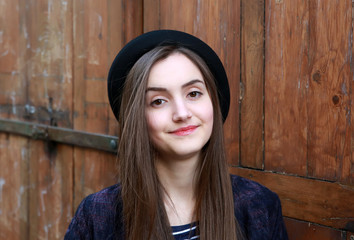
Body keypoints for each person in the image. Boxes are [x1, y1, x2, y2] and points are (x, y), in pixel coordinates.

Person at [64, 30, 288, 240]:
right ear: (137, 119)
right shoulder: (96, 215)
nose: (182, 113)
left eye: (193, 93)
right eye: (158, 101)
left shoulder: (259, 205)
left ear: (213, 103)